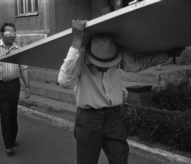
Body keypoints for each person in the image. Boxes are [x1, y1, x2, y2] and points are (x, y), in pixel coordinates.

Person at [58, 20, 171, 164]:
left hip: (113, 116)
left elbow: (138, 64)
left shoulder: (116, 52)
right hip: (88, 119)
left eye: (109, 63)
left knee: (120, 159)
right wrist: (76, 42)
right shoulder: (80, 56)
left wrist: (166, 55)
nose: (105, 67)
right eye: (100, 64)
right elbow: (64, 81)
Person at [0, 22, 31, 155]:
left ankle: (12, 138)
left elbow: (23, 68)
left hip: (14, 85)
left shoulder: (18, 48)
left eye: (14, 34)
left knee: (13, 113)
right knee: (5, 114)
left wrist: (27, 86)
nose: (12, 36)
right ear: (1, 34)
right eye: (8, 34)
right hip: (0, 86)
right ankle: (8, 145)